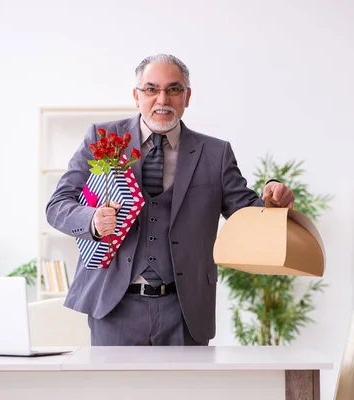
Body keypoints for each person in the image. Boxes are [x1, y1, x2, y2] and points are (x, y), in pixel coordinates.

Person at [46, 54, 294, 346]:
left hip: (185, 311)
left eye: (173, 89)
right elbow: (58, 205)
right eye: (151, 89)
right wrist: (92, 220)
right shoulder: (102, 138)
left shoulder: (216, 153)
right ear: (136, 96)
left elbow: (246, 213)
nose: (162, 99)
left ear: (187, 97)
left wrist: (274, 199)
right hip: (114, 307)